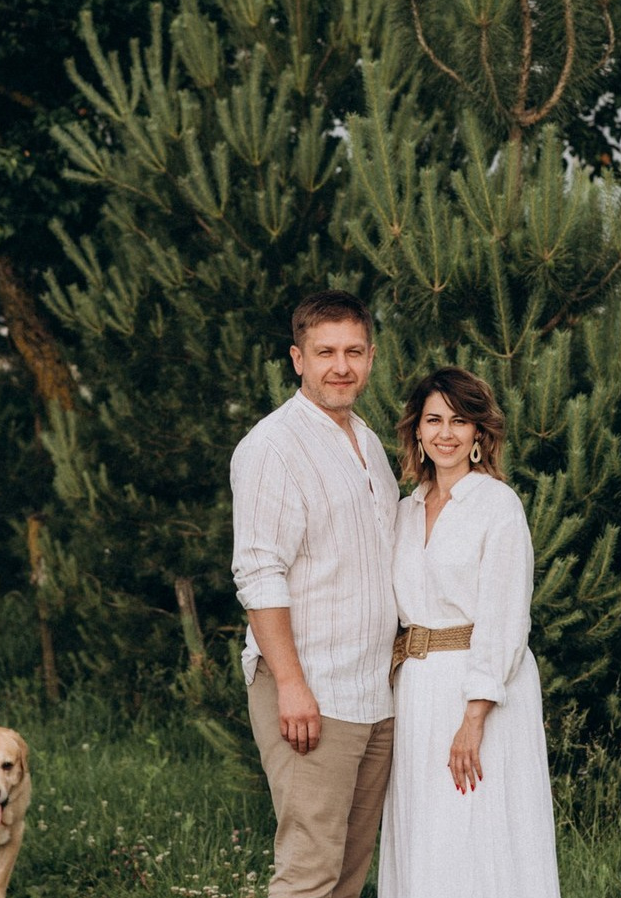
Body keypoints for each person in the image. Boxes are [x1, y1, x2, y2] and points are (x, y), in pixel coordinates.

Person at [230, 290, 399, 898]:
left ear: (372, 356)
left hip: (374, 693)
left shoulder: (370, 444)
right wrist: (293, 685)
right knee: (308, 874)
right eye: (326, 352)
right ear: (297, 358)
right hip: (312, 692)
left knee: (349, 877)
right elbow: (258, 573)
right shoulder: (273, 447)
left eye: (354, 351)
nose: (342, 366)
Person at [378, 367, 559, 898]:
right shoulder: (405, 510)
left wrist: (474, 716)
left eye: (460, 421)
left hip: (478, 689)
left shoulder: (497, 505)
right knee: (424, 829)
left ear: (480, 433)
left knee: (472, 827)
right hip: (415, 689)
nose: (446, 433)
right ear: (417, 430)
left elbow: (506, 616)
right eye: (434, 420)